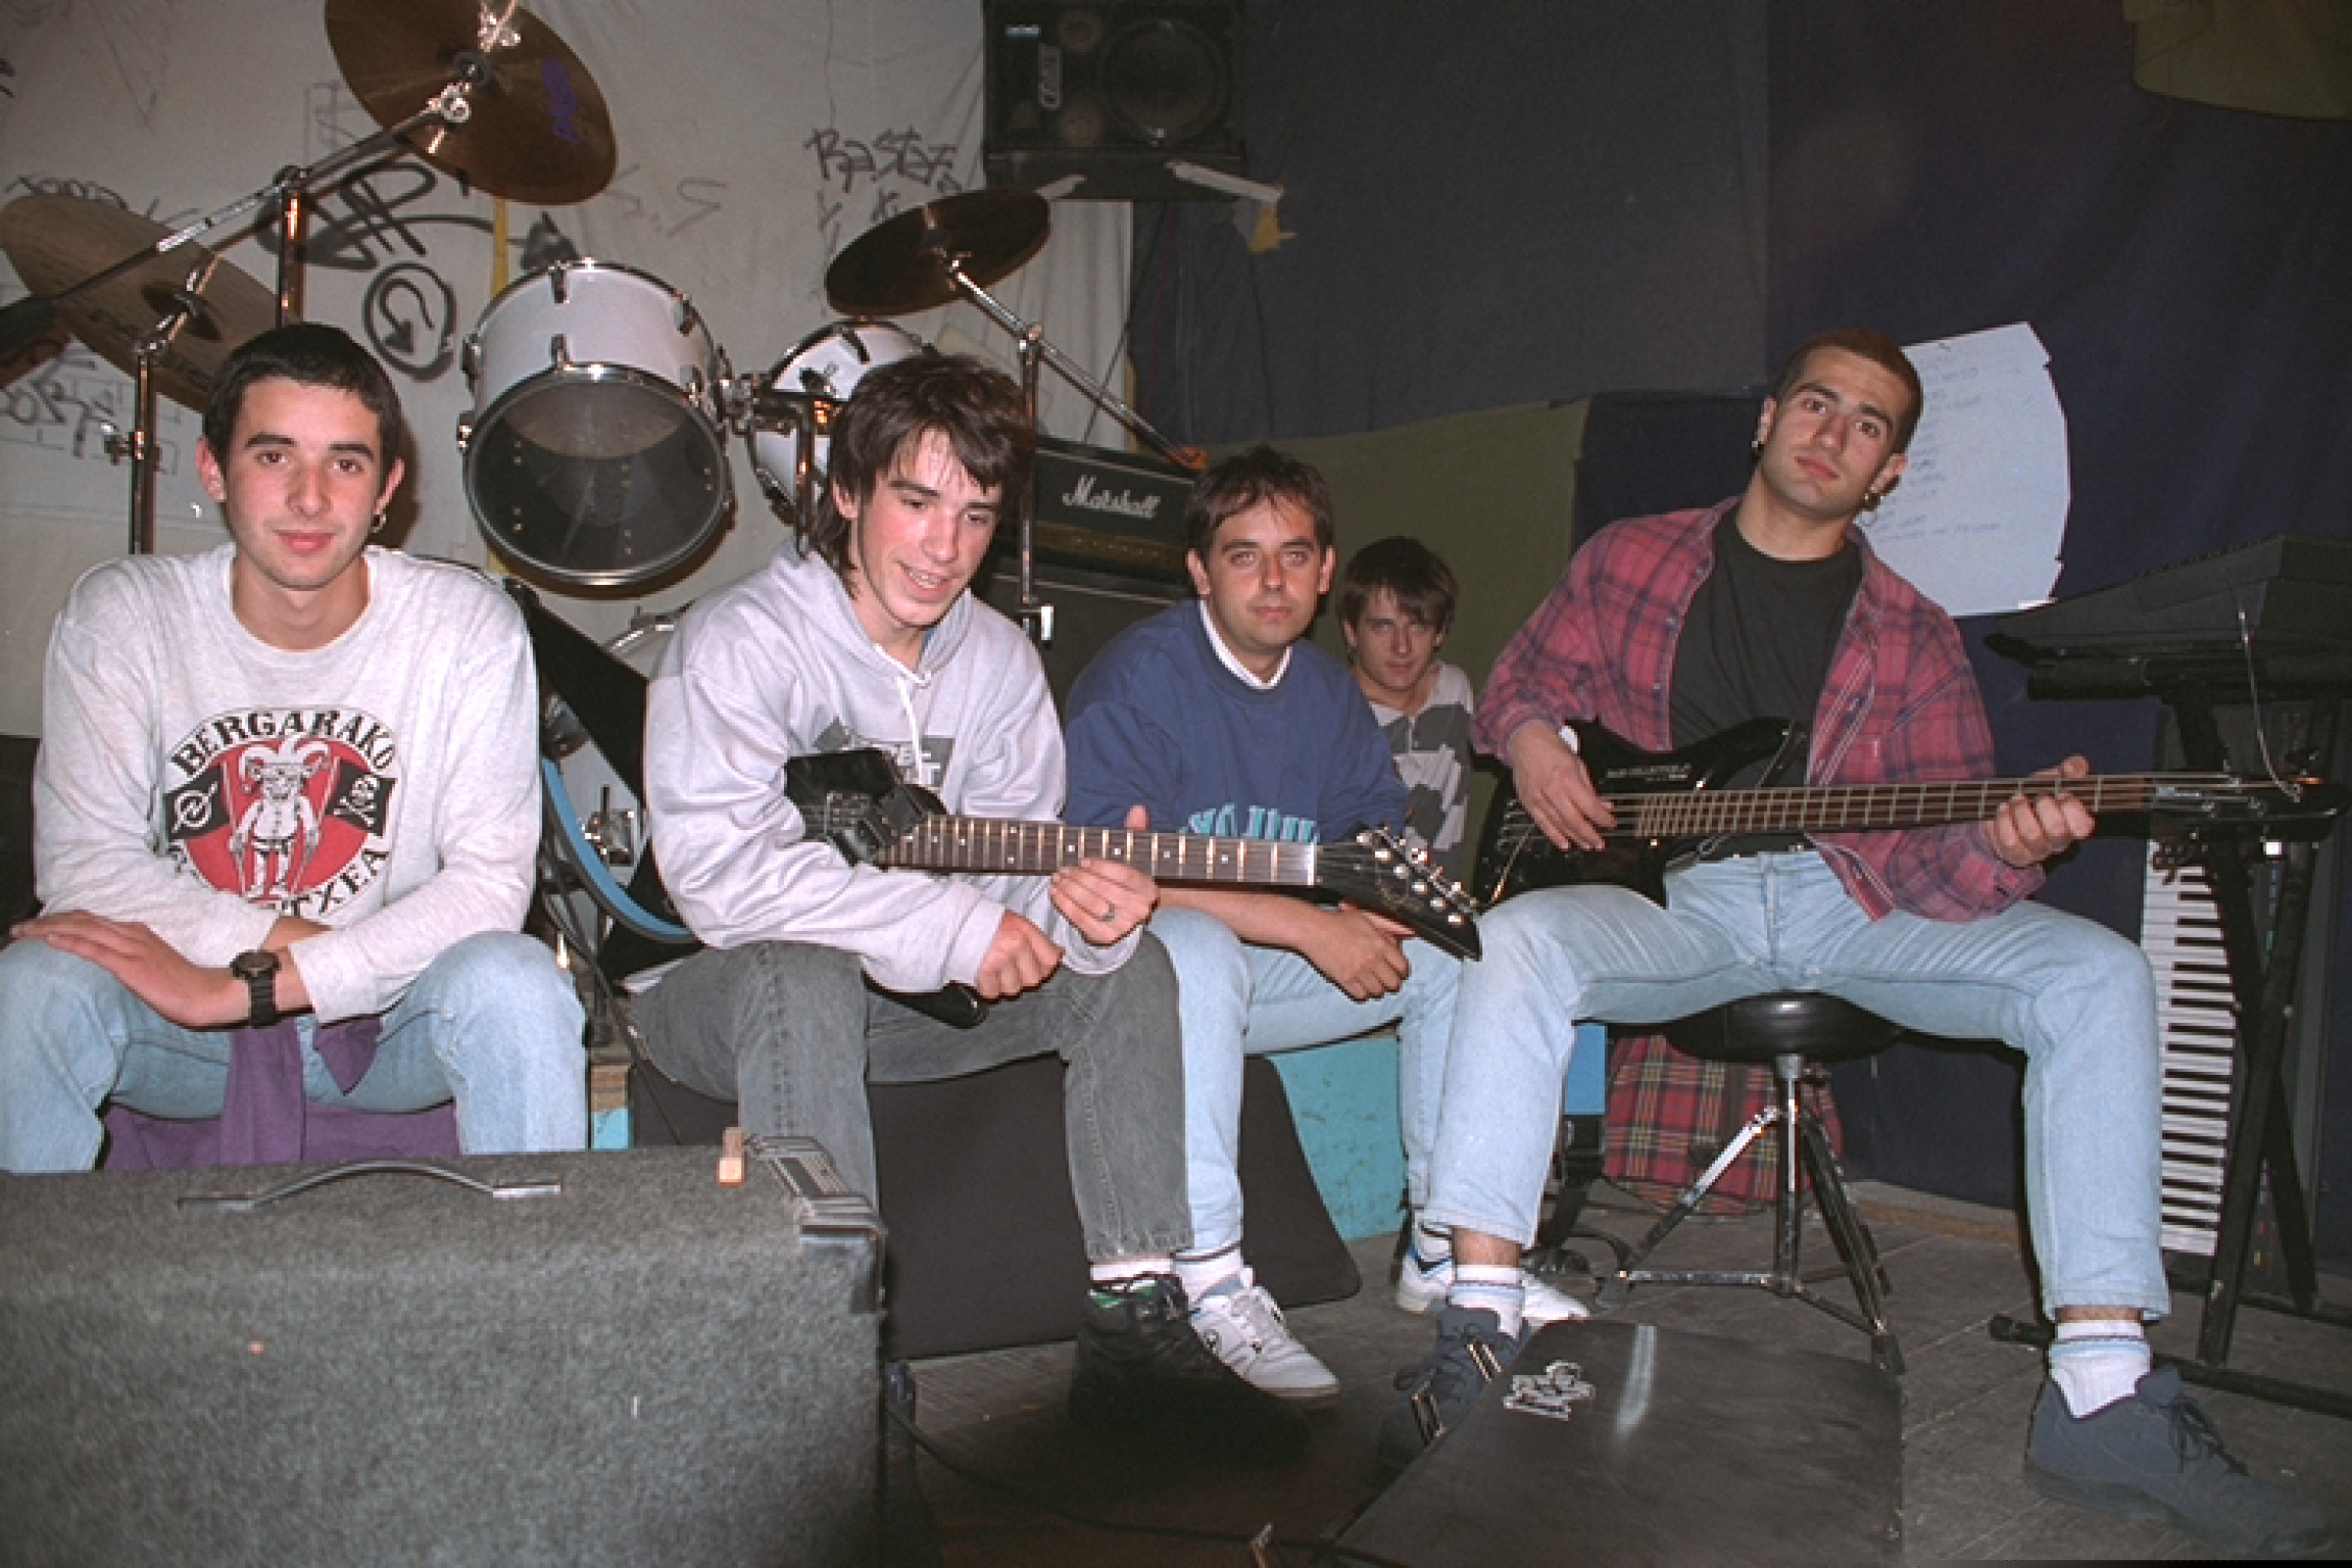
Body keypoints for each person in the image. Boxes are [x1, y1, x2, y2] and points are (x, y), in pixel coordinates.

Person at [1377, 329, 2329, 1556]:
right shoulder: (1630, 558)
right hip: (1674, 901)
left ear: (1889, 472)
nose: (1834, 433)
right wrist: (1534, 743)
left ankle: (2101, 1389)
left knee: (2096, 971)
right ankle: (1480, 1322)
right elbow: (1517, 687)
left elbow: (1945, 864)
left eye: (1868, 424)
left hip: (1856, 902)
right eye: (1818, 403)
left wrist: (2016, 842)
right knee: (1511, 938)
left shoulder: (1913, 633)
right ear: (1767, 418)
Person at [629, 353, 1303, 1460]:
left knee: (1133, 962)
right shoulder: (740, 640)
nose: (944, 548)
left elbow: (1012, 872)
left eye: (977, 516)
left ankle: (1136, 1322)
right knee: (802, 969)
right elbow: (721, 880)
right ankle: (828, 1356)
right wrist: (950, 929)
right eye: (917, 501)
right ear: (846, 492)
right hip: (720, 997)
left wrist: (1077, 911)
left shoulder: (998, 661)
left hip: (907, 1005)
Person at [1063, 447, 1584, 1407]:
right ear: (1199, 570)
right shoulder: (1138, 681)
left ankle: (1442, 1246)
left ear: (1325, 570)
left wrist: (1391, 900)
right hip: (1134, 982)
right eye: (1244, 555)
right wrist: (1310, 930)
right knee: (1200, 948)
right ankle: (1208, 1278)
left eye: (1294, 556)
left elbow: (1374, 836)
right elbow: (1114, 883)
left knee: (1455, 956)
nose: (1272, 581)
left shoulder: (1326, 692)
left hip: (1260, 971)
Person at [0, 322, 586, 1171]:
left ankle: (541, 1254)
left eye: (345, 464)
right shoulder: (125, 615)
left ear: (387, 488)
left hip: (383, 1023)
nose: (310, 499)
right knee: (33, 988)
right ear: (213, 469)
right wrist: (268, 963)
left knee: (519, 985)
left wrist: (256, 986)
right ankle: (38, 1261)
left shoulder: (464, 627)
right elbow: (85, 871)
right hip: (181, 1026)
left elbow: (489, 888)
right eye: (274, 457)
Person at [1338, 535, 1477, 885]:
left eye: (1417, 626)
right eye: (1382, 626)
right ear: (1351, 632)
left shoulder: (1455, 693)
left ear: (1440, 633)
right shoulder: (1332, 716)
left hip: (1442, 904)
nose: (1401, 647)